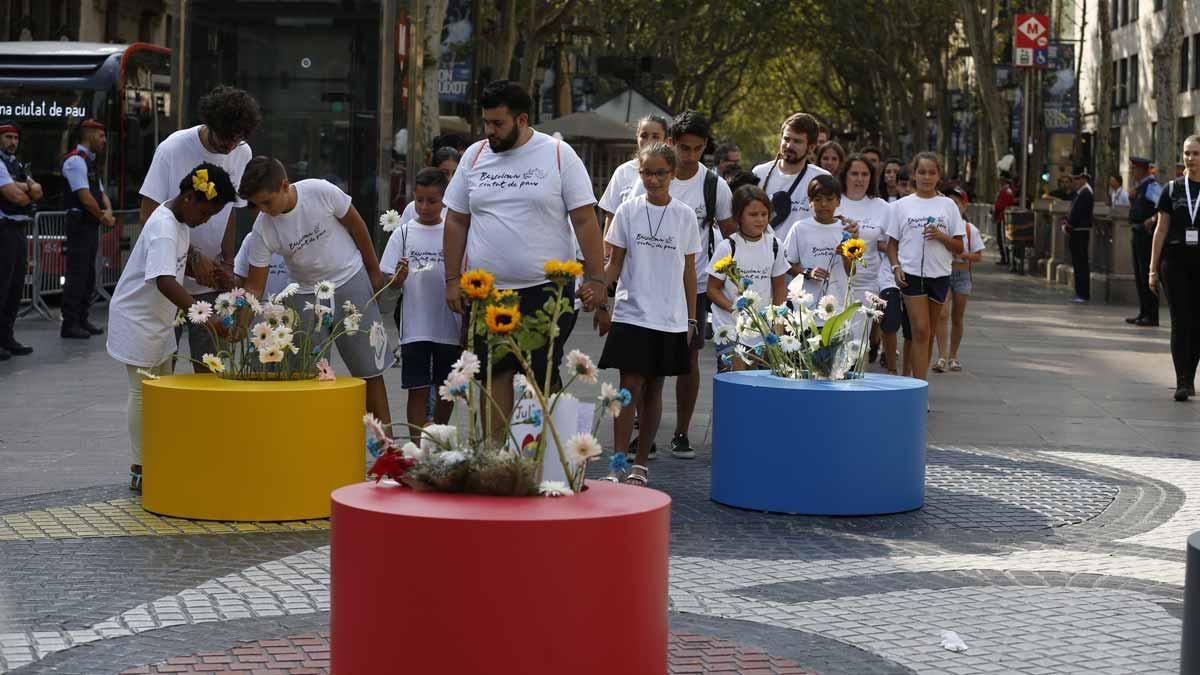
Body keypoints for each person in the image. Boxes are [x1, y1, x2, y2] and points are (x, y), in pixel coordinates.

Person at [443, 80, 606, 440]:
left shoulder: (559, 154)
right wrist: (452, 279)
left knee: (539, 376)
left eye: (497, 123)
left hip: (546, 292)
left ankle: (541, 460)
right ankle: (495, 458)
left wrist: (598, 278)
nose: (490, 131)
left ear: (521, 119)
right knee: (492, 374)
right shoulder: (474, 156)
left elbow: (584, 219)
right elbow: (456, 219)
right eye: (486, 122)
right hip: (487, 293)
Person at [107, 163, 237, 491]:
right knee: (142, 393)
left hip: (158, 320)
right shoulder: (166, 226)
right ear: (190, 197)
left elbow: (173, 269)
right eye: (206, 213)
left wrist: (202, 274)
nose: (206, 221)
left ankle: (157, 456)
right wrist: (205, 317)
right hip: (138, 320)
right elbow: (164, 280)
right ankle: (140, 465)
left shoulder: (177, 218)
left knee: (159, 392)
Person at [238, 156, 394, 427]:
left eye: (266, 201)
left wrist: (374, 273)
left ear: (284, 185)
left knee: (369, 370)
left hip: (350, 278)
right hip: (305, 294)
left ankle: (389, 450)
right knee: (309, 375)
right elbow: (254, 285)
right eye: (256, 204)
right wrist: (240, 321)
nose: (263, 210)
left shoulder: (320, 191)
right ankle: (314, 442)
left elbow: (357, 226)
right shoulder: (262, 229)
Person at [625, 110, 733, 459]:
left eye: (698, 149)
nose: (690, 156)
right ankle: (642, 432)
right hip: (646, 285)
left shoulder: (714, 186)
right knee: (643, 366)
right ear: (670, 143)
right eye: (684, 148)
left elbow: (732, 236)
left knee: (688, 359)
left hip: (695, 284)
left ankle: (682, 432)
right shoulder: (647, 176)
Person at [596, 143, 698, 486]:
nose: (653, 179)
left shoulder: (685, 215)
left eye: (660, 173)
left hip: (669, 316)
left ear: (673, 174)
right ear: (639, 173)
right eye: (647, 172)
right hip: (631, 311)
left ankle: (641, 464)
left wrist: (691, 320)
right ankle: (617, 462)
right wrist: (599, 295)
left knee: (655, 388)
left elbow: (689, 271)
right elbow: (614, 263)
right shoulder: (627, 210)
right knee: (629, 386)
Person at [139, 85, 259, 368]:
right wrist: (193, 257)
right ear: (209, 123)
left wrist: (227, 262)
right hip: (170, 277)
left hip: (210, 282)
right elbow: (147, 215)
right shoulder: (172, 148)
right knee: (160, 368)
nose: (230, 146)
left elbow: (231, 212)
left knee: (209, 368)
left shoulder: (242, 153)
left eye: (237, 140)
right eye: (224, 138)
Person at [380, 167, 461, 435]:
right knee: (417, 388)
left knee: (446, 389)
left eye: (432, 201)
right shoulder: (403, 234)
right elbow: (387, 285)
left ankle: (437, 438)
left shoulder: (454, 232)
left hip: (449, 324)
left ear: (445, 200)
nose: (425, 207)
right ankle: (416, 446)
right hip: (414, 326)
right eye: (419, 200)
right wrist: (398, 279)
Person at [885, 152, 965, 383]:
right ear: (913, 175)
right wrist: (895, 267)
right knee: (919, 330)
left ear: (939, 175)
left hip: (939, 274)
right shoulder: (901, 206)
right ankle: (917, 390)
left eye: (932, 172)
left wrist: (941, 236)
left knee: (928, 333)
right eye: (922, 172)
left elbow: (959, 246)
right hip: (911, 274)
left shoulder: (948, 205)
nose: (927, 177)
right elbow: (892, 244)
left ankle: (920, 384)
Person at [707, 185, 789, 371]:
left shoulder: (776, 246)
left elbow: (779, 286)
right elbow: (712, 288)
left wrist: (778, 323)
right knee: (735, 383)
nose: (760, 220)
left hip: (762, 331)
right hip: (731, 329)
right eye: (753, 215)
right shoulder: (727, 247)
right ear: (738, 216)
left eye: (764, 214)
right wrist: (734, 308)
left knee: (757, 388)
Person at [1148, 135, 1200, 401]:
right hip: (1175, 261)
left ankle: (1190, 377)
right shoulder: (1172, 189)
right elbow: (1161, 229)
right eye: (1186, 153)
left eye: (1195, 153)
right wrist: (1152, 269)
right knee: (1180, 321)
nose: (1190, 158)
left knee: (1197, 324)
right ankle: (1181, 381)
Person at [60, 118, 114, 339]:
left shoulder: (89, 162)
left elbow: (100, 194)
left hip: (89, 226)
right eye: (101, 136)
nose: (104, 140)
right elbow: (85, 198)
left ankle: (82, 318)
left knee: (88, 275)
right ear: (89, 135)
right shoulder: (75, 161)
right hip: (79, 225)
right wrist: (104, 218)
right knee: (77, 275)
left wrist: (108, 211)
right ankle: (70, 323)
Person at [836, 153, 890, 357]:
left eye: (865, 174)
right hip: (836, 280)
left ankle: (857, 385)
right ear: (845, 176)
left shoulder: (882, 207)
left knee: (858, 343)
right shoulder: (834, 202)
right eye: (854, 174)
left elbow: (888, 244)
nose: (859, 179)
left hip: (867, 282)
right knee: (836, 338)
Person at [752, 113, 829, 243]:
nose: (789, 146)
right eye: (786, 139)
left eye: (797, 141)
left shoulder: (821, 179)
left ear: (811, 147)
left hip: (803, 260)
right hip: (763, 256)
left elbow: (831, 221)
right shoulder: (759, 173)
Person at [784, 174, 856, 314]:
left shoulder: (846, 229)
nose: (824, 204)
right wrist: (808, 272)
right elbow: (786, 264)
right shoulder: (799, 228)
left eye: (829, 199)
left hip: (839, 307)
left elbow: (852, 272)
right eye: (818, 199)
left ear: (838, 201)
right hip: (807, 309)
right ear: (810, 201)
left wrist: (845, 256)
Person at [933, 185, 985, 373]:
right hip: (945, 272)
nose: (953, 206)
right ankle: (941, 356)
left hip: (963, 275)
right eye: (950, 203)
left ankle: (954, 356)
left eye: (956, 203)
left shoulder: (970, 229)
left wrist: (965, 255)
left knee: (957, 317)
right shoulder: (942, 226)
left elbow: (979, 255)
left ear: (964, 206)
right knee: (942, 314)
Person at [0, 121, 40, 358]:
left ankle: (7, 337)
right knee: (2, 286)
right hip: (3, 228)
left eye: (15, 138)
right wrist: (26, 191)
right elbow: (15, 195)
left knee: (15, 287)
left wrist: (22, 188)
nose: (12, 142)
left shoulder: (17, 164)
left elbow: (38, 191)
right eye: (7, 137)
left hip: (17, 228)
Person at [598, 114, 670, 238]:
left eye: (655, 137)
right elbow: (611, 217)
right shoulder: (622, 172)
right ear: (637, 137)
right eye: (644, 136)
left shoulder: (672, 173)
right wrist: (607, 253)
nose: (649, 141)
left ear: (666, 141)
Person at [1127, 156, 1162, 326]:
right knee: (1139, 276)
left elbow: (1164, 206)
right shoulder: (1140, 187)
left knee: (1147, 275)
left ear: (1141, 170)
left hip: (1147, 236)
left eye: (1134, 169)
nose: (1132, 172)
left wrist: (1153, 218)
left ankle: (1152, 315)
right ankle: (1143, 312)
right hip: (1137, 233)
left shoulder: (1152, 186)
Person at [1064, 167, 1094, 303]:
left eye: (1076, 179)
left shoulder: (1086, 193)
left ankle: (1083, 293)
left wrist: (1069, 225)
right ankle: (1079, 292)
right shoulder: (1081, 192)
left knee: (1081, 263)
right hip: (1076, 231)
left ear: (1083, 179)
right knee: (1078, 263)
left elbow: (1078, 213)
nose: (1074, 182)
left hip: (1080, 232)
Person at [992, 173, 1016, 265]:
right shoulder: (1004, 190)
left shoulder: (1006, 191)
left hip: (1003, 217)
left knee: (1003, 238)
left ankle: (1005, 258)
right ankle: (1004, 257)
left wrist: (995, 209)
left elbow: (1002, 204)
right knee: (1001, 238)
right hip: (1000, 216)